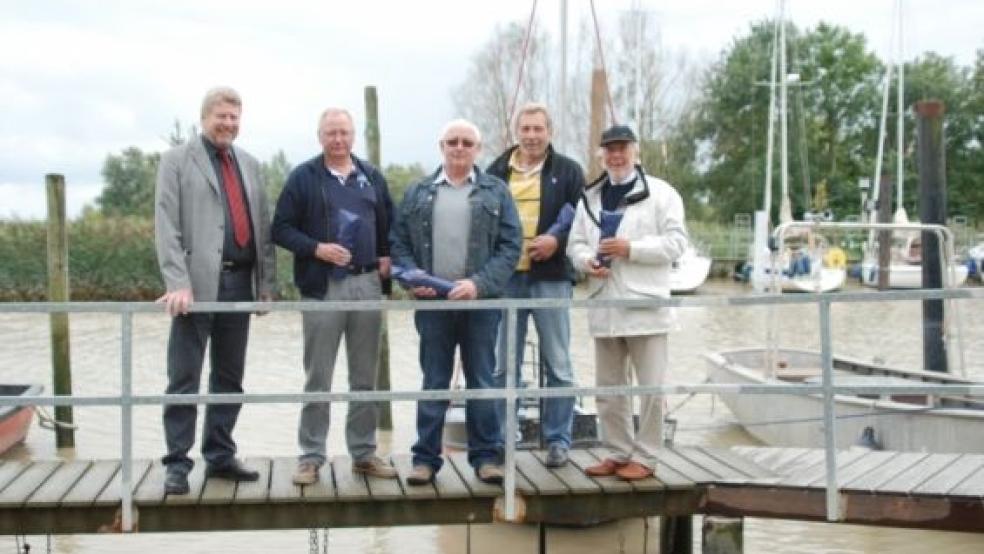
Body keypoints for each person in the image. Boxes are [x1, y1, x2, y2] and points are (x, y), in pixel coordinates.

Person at [155, 86, 276, 495]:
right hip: (196, 287)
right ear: (204, 117)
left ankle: (220, 456)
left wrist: (265, 288)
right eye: (222, 116)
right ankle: (176, 464)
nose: (228, 124)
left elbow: (262, 227)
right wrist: (177, 284)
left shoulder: (250, 164)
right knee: (184, 377)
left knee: (229, 377)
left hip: (240, 284)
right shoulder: (176, 161)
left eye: (235, 117)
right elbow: (166, 225)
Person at [390, 119, 522, 486]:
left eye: (467, 142)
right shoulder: (417, 192)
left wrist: (478, 285)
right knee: (434, 379)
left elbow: (512, 247)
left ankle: (485, 458)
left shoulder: (496, 192)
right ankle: (425, 460)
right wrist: (414, 280)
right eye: (453, 141)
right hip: (433, 306)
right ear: (441, 147)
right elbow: (397, 243)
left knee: (482, 379)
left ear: (477, 149)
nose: (459, 147)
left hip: (481, 305)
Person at [272, 108, 397, 484]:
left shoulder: (372, 176)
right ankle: (311, 457)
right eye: (331, 133)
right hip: (323, 287)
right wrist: (316, 249)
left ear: (353, 135)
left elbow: (389, 226)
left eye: (343, 132)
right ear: (320, 137)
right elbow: (280, 228)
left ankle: (364, 454)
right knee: (318, 377)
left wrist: (388, 255)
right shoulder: (303, 178)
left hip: (367, 285)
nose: (338, 139)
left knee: (365, 378)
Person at [566, 124, 688, 481]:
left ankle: (646, 457)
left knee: (650, 389)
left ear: (636, 152)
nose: (616, 155)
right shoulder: (588, 198)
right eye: (610, 149)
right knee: (608, 390)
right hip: (604, 304)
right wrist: (587, 261)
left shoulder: (662, 194)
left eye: (623, 148)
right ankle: (617, 452)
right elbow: (575, 244)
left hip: (645, 306)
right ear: (601, 155)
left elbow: (677, 243)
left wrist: (630, 249)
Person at [486, 103, 585, 467]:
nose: (531, 135)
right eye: (525, 129)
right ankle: (503, 438)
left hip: (551, 279)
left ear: (550, 132)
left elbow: (579, 214)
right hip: (507, 280)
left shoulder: (569, 171)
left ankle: (558, 440)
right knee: (502, 365)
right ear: (517, 131)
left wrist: (555, 240)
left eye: (537, 129)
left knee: (558, 363)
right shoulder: (496, 171)